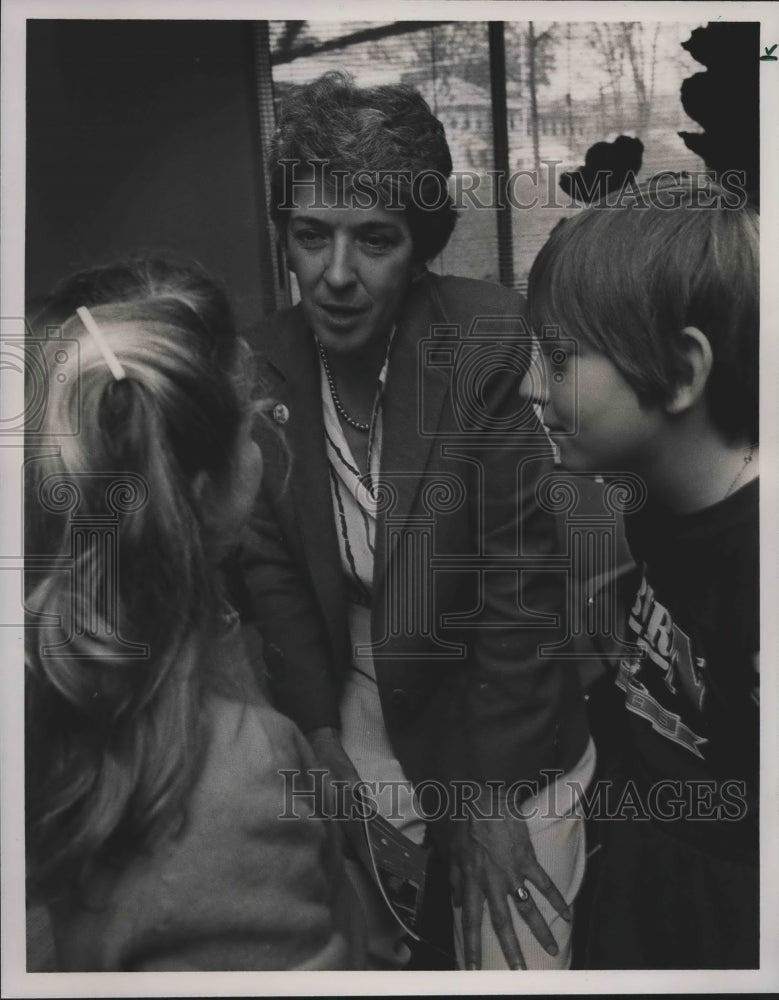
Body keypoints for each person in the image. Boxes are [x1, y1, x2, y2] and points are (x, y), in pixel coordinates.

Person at [240, 72, 593, 971]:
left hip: (501, 696)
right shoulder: (260, 367)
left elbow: (523, 589)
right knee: (377, 944)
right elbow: (272, 574)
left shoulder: (484, 338)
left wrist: (487, 793)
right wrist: (319, 737)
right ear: (284, 236)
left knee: (515, 949)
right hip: (359, 690)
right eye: (311, 236)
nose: (337, 275)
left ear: (421, 246)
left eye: (376, 240)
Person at [24, 258, 364, 971]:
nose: (264, 431)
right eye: (245, 424)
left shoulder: (68, 658)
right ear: (206, 489)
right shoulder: (237, 777)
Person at [526, 177, 759, 968]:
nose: (534, 388)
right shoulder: (648, 496)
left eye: (559, 359)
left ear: (680, 369)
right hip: (641, 862)